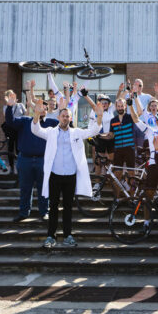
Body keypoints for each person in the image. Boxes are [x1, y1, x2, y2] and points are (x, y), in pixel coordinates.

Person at [31, 101, 103, 248]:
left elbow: (94, 130)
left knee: (69, 207)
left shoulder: (76, 132)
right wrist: (37, 113)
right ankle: (51, 236)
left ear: (71, 119)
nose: (65, 118)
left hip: (70, 176)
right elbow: (36, 130)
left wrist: (99, 116)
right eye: (63, 116)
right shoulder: (51, 132)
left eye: (68, 116)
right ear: (58, 117)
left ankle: (67, 235)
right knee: (53, 206)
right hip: (54, 176)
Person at [5, 92, 59, 222]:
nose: (42, 110)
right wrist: (9, 107)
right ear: (35, 109)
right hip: (25, 159)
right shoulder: (25, 121)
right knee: (25, 188)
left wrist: (63, 108)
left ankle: (44, 212)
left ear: (47, 111)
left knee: (43, 188)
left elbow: (67, 124)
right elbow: (10, 121)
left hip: (43, 160)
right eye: (39, 108)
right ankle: (24, 213)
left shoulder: (52, 122)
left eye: (44, 109)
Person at [2, 89, 27, 174]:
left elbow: (26, 115)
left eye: (13, 95)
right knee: (10, 149)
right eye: (10, 96)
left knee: (19, 149)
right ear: (7, 98)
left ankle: (20, 167)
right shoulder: (5, 107)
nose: (12, 97)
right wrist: (10, 105)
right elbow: (7, 118)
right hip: (10, 130)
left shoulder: (20, 105)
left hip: (19, 130)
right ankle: (12, 168)